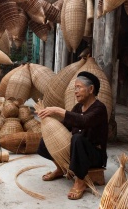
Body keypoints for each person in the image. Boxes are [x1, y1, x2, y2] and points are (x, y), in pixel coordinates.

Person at [36, 71, 108, 200]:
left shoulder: (100, 108)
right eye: (75, 88)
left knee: (77, 138)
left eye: (79, 87)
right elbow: (65, 126)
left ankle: (80, 182)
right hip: (77, 151)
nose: (75, 91)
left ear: (91, 89)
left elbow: (84, 121)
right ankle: (60, 168)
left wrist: (57, 110)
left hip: (94, 155)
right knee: (46, 141)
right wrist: (49, 124)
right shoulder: (78, 107)